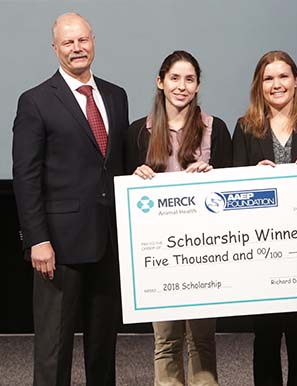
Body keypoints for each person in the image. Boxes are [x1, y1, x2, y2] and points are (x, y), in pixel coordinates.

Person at [12, 13, 128, 386]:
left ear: (93, 41)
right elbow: (26, 176)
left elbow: (117, 164)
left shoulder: (115, 95)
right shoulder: (35, 101)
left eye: (83, 40)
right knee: (53, 349)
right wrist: (37, 239)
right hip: (57, 247)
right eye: (68, 42)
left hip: (107, 243)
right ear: (55, 48)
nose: (77, 48)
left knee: (103, 348)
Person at [126, 50, 232, 386]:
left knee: (201, 338)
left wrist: (212, 176)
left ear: (198, 85)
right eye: (174, 78)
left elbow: (232, 191)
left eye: (189, 79)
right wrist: (136, 176)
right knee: (166, 340)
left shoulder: (216, 129)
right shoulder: (138, 132)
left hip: (204, 250)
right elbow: (126, 191)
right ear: (160, 82)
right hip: (159, 255)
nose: (181, 86)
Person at [233, 50, 297, 386]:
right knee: (266, 336)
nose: (277, 84)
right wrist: (251, 176)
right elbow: (233, 192)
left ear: (296, 80)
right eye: (268, 78)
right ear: (259, 86)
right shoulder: (245, 128)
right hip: (262, 252)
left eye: (283, 77)